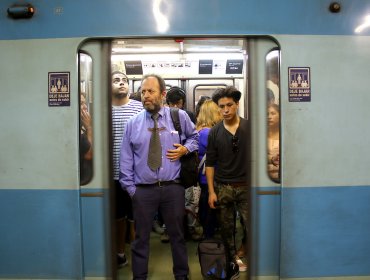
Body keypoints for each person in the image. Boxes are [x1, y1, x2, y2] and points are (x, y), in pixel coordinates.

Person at [119, 74, 198, 280]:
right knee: (141, 239)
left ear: (162, 94)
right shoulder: (133, 124)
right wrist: (132, 190)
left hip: (173, 188)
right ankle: (139, 277)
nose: (146, 96)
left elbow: (194, 137)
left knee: (177, 237)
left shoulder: (178, 117)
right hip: (143, 190)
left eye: (151, 91)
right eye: (143, 92)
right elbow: (126, 160)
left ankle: (181, 276)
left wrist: (185, 149)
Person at [205, 86, 248, 278]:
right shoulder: (214, 132)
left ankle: (245, 252)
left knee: (252, 226)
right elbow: (211, 164)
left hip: (247, 186)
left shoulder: (250, 128)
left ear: (237, 104)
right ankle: (232, 263)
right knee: (226, 229)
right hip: (224, 187)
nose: (226, 110)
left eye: (229, 105)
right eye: (221, 106)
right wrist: (212, 191)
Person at [111, 71, 143, 268]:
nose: (121, 83)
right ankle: (120, 253)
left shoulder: (139, 108)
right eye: (116, 81)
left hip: (136, 173)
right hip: (112, 173)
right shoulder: (103, 110)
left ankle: (138, 255)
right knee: (118, 217)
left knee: (137, 217)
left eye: (124, 80)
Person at [196, 99, 223, 239]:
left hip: (203, 176)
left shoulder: (199, 130)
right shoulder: (209, 133)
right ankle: (209, 237)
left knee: (206, 204)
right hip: (209, 176)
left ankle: (208, 233)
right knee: (210, 207)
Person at [80, 93, 93, 185]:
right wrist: (89, 127)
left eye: (85, 103)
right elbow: (89, 154)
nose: (85, 107)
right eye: (81, 103)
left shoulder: (81, 124)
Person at [267, 103, 280, 180]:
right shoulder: (261, 133)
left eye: (273, 114)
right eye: (267, 114)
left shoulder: (285, 133)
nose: (269, 117)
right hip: (265, 175)